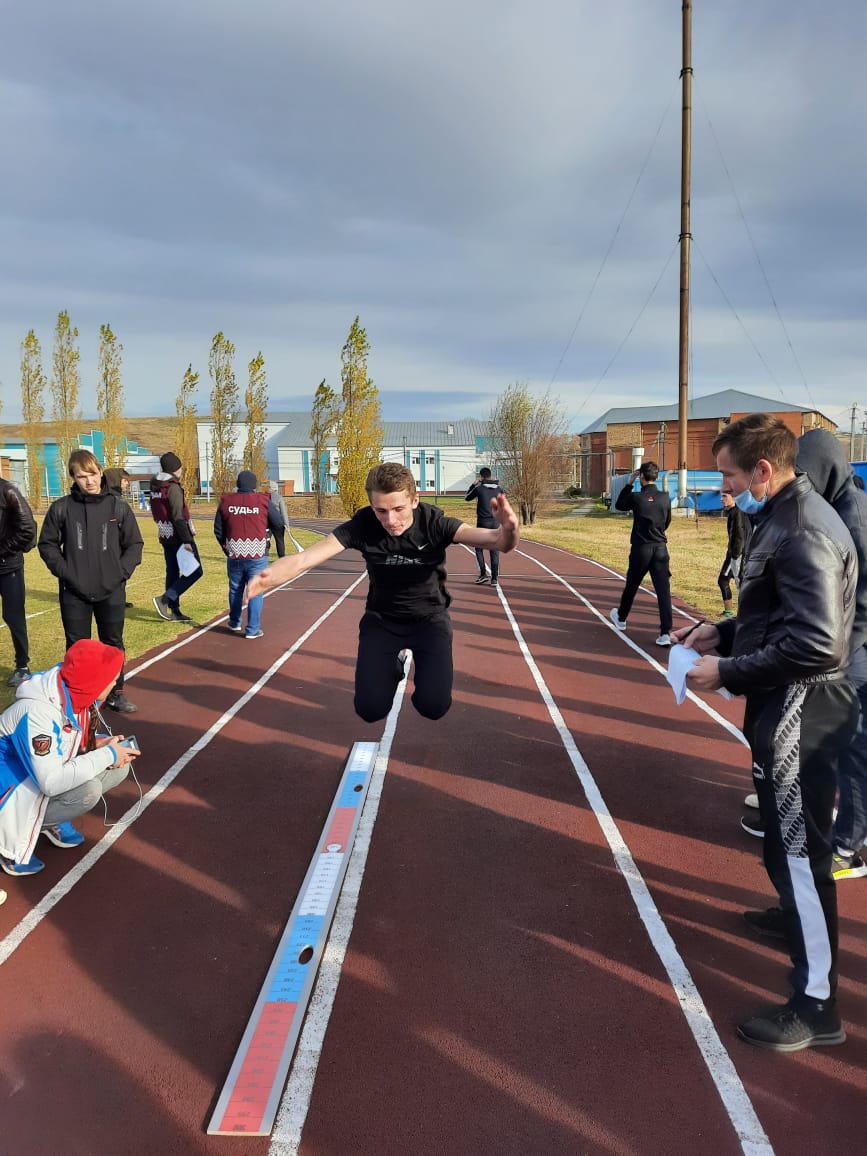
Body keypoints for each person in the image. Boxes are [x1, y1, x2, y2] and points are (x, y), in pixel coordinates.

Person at [674, 413, 859, 1052]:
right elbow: (777, 615)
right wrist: (721, 633)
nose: (722, 488)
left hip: (803, 711)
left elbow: (819, 643)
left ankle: (817, 1006)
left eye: (727, 476)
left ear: (762, 469)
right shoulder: (780, 517)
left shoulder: (802, 529)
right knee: (786, 850)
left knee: (803, 858)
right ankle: (796, 928)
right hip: (785, 706)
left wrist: (726, 670)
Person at [247, 462, 519, 723]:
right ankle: (394, 665)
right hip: (382, 620)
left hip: (430, 621)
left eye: (399, 509)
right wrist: (268, 577)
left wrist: (508, 529)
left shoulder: (434, 523)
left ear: (415, 500)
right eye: (381, 511)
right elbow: (304, 559)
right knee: (370, 710)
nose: (391, 520)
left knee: (433, 707)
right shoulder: (363, 525)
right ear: (371, 506)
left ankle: (420, 679)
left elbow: (497, 542)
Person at [0, 639, 140, 877]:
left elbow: (65, 741)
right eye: (112, 678)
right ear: (95, 680)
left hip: (32, 776)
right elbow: (51, 782)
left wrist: (99, 744)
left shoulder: (74, 693)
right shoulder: (38, 712)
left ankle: (46, 819)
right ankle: (9, 842)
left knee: (118, 768)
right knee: (87, 791)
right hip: (11, 787)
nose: (115, 683)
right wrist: (107, 754)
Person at [38, 451, 143, 715]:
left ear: (100, 472)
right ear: (73, 478)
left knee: (113, 643)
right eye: (82, 476)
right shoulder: (61, 508)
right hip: (74, 592)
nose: (89, 481)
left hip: (111, 590)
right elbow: (47, 544)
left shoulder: (118, 507)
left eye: (93, 474)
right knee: (77, 648)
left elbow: (134, 544)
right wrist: (66, 572)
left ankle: (116, 694)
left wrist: (120, 573)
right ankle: (78, 699)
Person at [214, 470, 286, 639]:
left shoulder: (226, 501)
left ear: (238, 484)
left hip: (235, 552)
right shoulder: (263, 500)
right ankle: (252, 629)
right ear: (254, 486)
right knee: (256, 590)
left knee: (235, 588)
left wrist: (226, 547)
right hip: (258, 552)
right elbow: (278, 522)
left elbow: (218, 529)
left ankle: (234, 622)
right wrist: (268, 533)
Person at [609, 461, 673, 646]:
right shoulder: (665, 497)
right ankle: (665, 633)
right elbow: (667, 521)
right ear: (657, 477)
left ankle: (621, 618)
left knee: (632, 585)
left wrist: (629, 483)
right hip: (660, 548)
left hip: (641, 548)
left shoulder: (636, 497)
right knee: (663, 591)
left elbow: (619, 505)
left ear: (641, 476)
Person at [151, 452, 202, 623]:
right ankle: (165, 600)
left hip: (165, 534)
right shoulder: (172, 487)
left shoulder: (156, 486)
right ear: (175, 468)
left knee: (172, 571)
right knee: (195, 571)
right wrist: (187, 540)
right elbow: (178, 516)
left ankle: (175, 610)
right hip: (178, 536)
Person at [0, 478, 37, 688]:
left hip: (8, 567)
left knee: (13, 617)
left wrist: (3, 551)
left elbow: (27, 529)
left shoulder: (7, 491)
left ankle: (22, 666)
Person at [464, 467, 505, 586]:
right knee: (494, 550)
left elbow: (466, 498)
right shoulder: (499, 489)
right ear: (490, 476)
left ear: (481, 477)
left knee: (478, 548)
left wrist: (473, 484)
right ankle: (494, 579)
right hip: (495, 523)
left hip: (482, 522)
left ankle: (483, 574)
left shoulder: (479, 489)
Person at [104, 468, 134, 607]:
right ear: (115, 481)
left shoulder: (119, 501)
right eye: (125, 481)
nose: (127, 484)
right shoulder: (108, 501)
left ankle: (119, 599)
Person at [717, 491, 748, 618]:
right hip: (733, 553)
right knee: (726, 581)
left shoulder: (738, 512)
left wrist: (735, 556)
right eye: (721, 496)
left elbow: (740, 535)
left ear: (734, 498)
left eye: (724, 496)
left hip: (736, 554)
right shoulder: (733, 512)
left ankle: (742, 614)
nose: (721, 499)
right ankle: (730, 612)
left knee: (734, 582)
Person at [268, 480, 289, 558]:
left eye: (269, 487)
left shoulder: (265, 497)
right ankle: (282, 558)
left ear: (272, 488)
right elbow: (283, 512)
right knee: (280, 541)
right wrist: (287, 525)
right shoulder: (279, 498)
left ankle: (263, 556)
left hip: (268, 523)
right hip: (278, 524)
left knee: (265, 540)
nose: (268, 489)